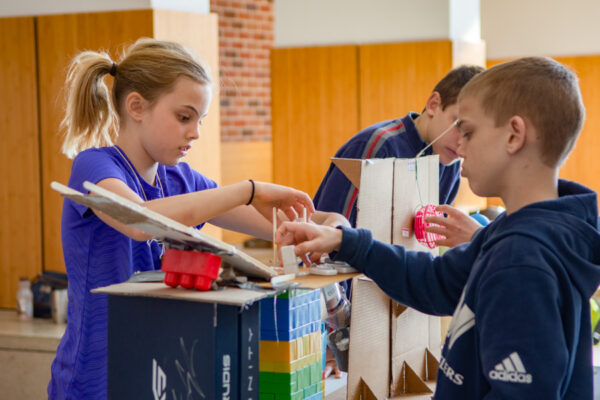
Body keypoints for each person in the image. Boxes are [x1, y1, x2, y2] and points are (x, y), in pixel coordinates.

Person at [277, 57, 600, 398]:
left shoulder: (521, 260)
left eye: (470, 132)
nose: (460, 147)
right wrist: (345, 240)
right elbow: (436, 281)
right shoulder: (513, 232)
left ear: (514, 135)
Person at [48, 38, 316, 399]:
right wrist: (248, 189)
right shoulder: (95, 166)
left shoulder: (181, 181)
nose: (196, 133)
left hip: (157, 371)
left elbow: (277, 220)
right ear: (137, 107)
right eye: (184, 117)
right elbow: (138, 221)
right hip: (96, 380)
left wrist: (329, 227)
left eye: (200, 120)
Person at [314, 65, 484, 247]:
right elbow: (329, 233)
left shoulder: (449, 165)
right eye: (458, 125)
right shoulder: (378, 146)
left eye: (470, 134)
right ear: (434, 104)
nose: (461, 143)